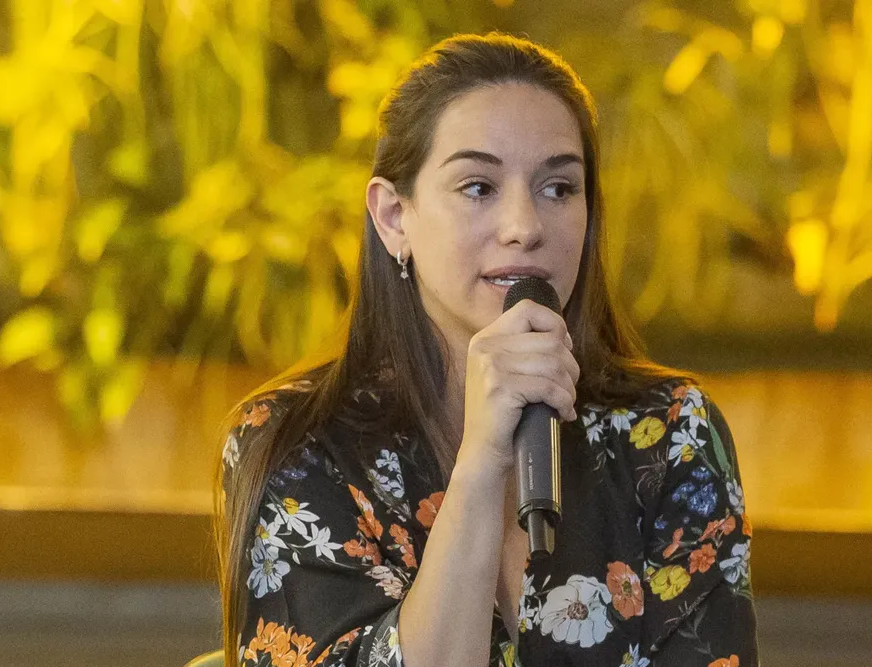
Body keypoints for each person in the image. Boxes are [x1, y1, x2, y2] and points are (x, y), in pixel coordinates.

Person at [215, 32, 757, 667]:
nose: (524, 227)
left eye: (559, 188)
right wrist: (481, 463)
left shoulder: (670, 434)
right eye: (478, 187)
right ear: (394, 217)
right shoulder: (299, 447)